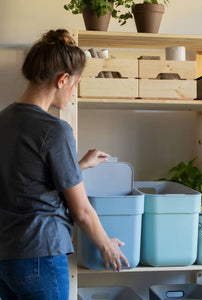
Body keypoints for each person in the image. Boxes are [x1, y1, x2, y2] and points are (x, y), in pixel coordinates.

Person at [0, 29, 129, 300]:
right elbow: (81, 211)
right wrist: (106, 245)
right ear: (62, 80)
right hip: (41, 255)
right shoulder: (55, 129)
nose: (73, 93)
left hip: (6, 257)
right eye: (75, 85)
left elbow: (26, 180)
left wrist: (79, 165)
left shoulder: (4, 120)